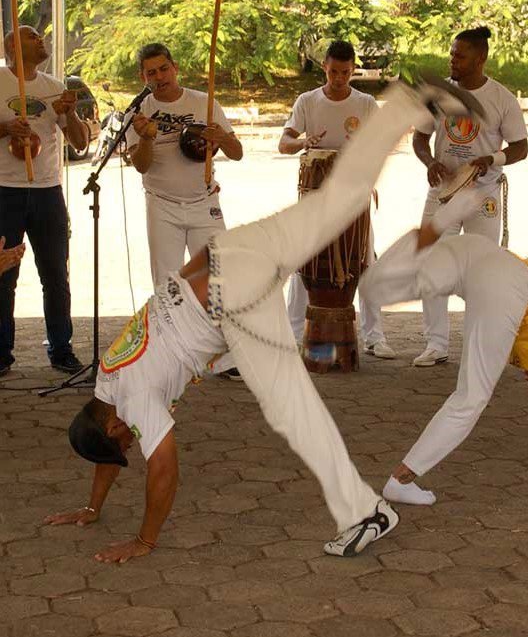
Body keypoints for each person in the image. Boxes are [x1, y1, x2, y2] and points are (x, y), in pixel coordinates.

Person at [43, 78, 477, 563]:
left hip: (232, 294)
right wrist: (92, 506)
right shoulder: (107, 382)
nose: (131, 443)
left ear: (113, 425)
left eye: (124, 441)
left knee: (294, 409)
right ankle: (406, 105)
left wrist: (143, 542)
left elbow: (164, 470)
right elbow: (108, 450)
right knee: (337, 200)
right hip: (222, 256)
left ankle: (365, 513)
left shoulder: (134, 400)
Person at [359, 189, 528, 509]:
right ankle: (401, 480)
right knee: (471, 397)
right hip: (507, 284)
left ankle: (434, 227)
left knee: (373, 290)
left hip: (476, 255)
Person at [412, 26, 528, 367]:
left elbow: (521, 148)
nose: (453, 60)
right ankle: (436, 343)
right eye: (451, 54)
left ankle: (483, 345)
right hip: (443, 194)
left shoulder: (502, 99)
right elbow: (419, 139)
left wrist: (491, 159)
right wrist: (430, 162)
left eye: (460, 56)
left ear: (481, 59)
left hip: (484, 194)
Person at [278, 39, 395, 359]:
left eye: (345, 72)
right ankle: (291, 333)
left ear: (353, 70)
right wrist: (303, 141)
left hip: (354, 193)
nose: (339, 78)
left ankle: (375, 336)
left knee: (365, 261)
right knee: (306, 260)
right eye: (333, 72)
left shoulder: (366, 103)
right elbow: (283, 143)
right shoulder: (307, 101)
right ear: (324, 69)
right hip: (315, 194)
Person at [0, 26, 88, 377]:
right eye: (32, 35)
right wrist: (6, 128)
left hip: (47, 191)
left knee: (55, 273)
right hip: (4, 189)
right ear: (11, 47)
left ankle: (61, 347)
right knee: (4, 274)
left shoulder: (55, 88)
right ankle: (2, 352)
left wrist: (71, 112)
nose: (42, 40)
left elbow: (79, 143)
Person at [127, 42, 244, 286]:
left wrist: (221, 137)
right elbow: (141, 165)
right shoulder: (137, 112)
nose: (159, 77)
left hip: (204, 202)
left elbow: (237, 153)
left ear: (175, 68)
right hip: (162, 205)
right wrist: (147, 138)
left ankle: (211, 326)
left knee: (215, 282)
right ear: (143, 77)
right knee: (168, 286)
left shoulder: (205, 102)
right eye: (152, 73)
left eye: (164, 69)